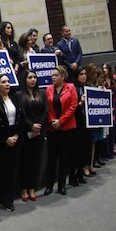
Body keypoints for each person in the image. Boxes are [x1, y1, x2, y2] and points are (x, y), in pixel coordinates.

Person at [0, 74, 25, 212]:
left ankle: (8, 200)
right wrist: (5, 139)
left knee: (11, 171)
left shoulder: (16, 98)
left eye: (8, 81)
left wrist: (16, 135)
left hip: (15, 138)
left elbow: (21, 118)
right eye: (4, 82)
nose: (7, 84)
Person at [44, 66, 77, 196]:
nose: (53, 77)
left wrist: (61, 121)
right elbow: (46, 107)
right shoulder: (48, 89)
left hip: (66, 127)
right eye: (52, 75)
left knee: (64, 157)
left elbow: (72, 107)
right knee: (52, 158)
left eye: (56, 75)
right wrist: (53, 120)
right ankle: (49, 185)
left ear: (63, 76)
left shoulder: (71, 88)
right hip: (52, 127)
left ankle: (62, 185)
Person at [19, 70, 47, 203]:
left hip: (39, 133)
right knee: (26, 162)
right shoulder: (19, 95)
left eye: (35, 77)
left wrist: (38, 126)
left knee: (36, 162)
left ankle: (32, 188)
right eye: (30, 77)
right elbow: (22, 115)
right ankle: (23, 188)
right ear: (25, 79)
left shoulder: (41, 93)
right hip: (26, 133)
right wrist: (31, 126)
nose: (33, 80)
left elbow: (45, 111)